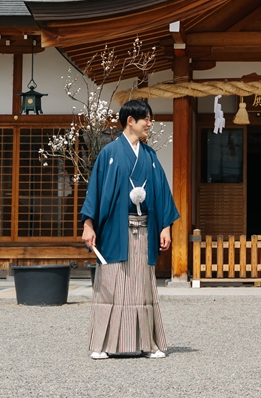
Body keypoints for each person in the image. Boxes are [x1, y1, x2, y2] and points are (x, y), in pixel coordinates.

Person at [81, 99, 180, 359]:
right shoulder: (110, 153)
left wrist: (165, 227)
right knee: (112, 282)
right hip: (115, 229)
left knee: (142, 285)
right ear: (130, 121)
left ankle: (148, 344)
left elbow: (162, 193)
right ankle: (102, 344)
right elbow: (95, 191)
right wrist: (88, 225)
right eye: (146, 118)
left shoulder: (150, 156)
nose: (150, 124)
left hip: (144, 229)